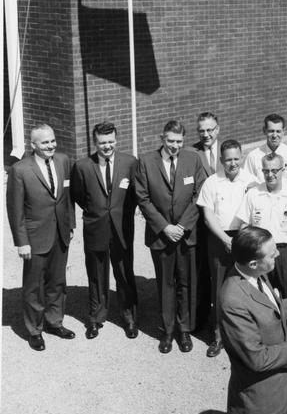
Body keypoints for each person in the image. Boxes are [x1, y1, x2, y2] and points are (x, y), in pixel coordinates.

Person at [219, 226, 287, 414]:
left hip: (280, 393)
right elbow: (255, 357)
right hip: (260, 406)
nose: (278, 254)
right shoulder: (233, 300)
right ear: (253, 263)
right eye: (272, 253)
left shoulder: (258, 274)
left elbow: (270, 313)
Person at [135, 120, 205, 354]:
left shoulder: (193, 159)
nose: (175, 146)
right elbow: (143, 198)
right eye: (170, 141)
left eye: (179, 141)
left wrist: (183, 226)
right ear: (162, 138)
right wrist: (165, 227)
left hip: (186, 235)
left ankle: (184, 329)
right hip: (161, 235)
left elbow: (199, 194)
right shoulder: (146, 161)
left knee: (185, 283)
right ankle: (166, 330)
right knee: (165, 284)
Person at [6, 124, 76, 351]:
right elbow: (15, 210)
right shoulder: (20, 170)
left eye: (53, 140)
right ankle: (34, 330)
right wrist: (22, 241)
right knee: (34, 286)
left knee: (57, 282)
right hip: (35, 237)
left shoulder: (63, 161)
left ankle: (54, 322)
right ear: (33, 145)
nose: (51, 145)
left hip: (60, 233)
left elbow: (67, 196)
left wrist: (70, 224)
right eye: (45, 142)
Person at [71, 122, 139, 340]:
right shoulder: (82, 166)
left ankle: (129, 317)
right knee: (96, 275)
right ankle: (96, 318)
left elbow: (134, 196)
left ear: (116, 140)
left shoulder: (130, 163)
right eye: (102, 143)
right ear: (95, 142)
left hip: (122, 228)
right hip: (95, 227)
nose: (107, 146)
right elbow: (79, 196)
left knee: (124, 273)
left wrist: (121, 214)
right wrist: (98, 212)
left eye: (110, 141)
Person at [196, 139, 257, 358]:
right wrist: (224, 238)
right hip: (219, 238)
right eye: (228, 159)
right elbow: (208, 215)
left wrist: (241, 237)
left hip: (244, 237)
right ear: (221, 160)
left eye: (236, 158)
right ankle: (218, 336)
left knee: (246, 287)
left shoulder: (252, 181)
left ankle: (244, 336)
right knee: (220, 289)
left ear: (242, 157)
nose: (232, 163)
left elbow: (255, 212)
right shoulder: (212, 182)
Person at [236, 153, 287, 300]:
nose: (270, 175)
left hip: (284, 252)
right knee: (260, 294)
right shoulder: (253, 194)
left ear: (282, 170)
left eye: (274, 170)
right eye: (266, 171)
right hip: (259, 252)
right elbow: (244, 226)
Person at [189, 112, 219, 331]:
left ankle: (222, 321)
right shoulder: (191, 153)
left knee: (221, 273)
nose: (206, 134)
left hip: (225, 222)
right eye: (202, 131)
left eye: (210, 129)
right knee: (201, 270)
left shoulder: (231, 151)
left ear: (217, 129)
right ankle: (200, 316)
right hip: (201, 221)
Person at [243, 114, 287, 190]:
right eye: (271, 131)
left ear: (284, 131)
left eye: (278, 131)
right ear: (264, 131)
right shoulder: (253, 156)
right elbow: (249, 183)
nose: (274, 135)